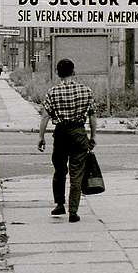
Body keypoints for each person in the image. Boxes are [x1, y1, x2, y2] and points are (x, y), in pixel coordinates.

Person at [36, 58, 97, 223]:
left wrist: (41, 137)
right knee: (76, 173)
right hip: (78, 132)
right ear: (74, 72)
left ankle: (59, 204)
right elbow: (92, 115)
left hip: (61, 133)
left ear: (57, 73)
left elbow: (45, 116)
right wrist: (93, 136)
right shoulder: (86, 91)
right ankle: (73, 211)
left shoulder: (52, 92)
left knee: (60, 170)